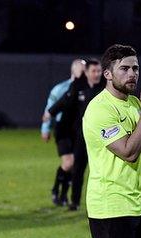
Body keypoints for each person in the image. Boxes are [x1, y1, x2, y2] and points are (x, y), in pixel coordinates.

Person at [83, 44, 141, 238]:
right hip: (110, 209)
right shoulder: (100, 108)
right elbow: (129, 152)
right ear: (107, 74)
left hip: (136, 206)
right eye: (125, 69)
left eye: (135, 69)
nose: (132, 74)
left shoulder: (136, 103)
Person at [45, 59, 105, 211]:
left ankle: (66, 194)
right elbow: (63, 102)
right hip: (71, 132)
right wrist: (49, 114)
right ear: (86, 72)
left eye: (99, 71)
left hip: (97, 136)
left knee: (102, 169)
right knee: (75, 166)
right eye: (94, 71)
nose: (97, 74)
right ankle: (71, 199)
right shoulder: (75, 86)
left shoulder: (104, 87)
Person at [41, 59, 85, 206]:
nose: (84, 72)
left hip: (78, 131)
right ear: (74, 71)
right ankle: (56, 190)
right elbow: (50, 109)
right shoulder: (60, 89)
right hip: (63, 130)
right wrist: (45, 129)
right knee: (68, 163)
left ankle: (63, 195)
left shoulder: (86, 89)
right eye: (82, 69)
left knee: (73, 165)